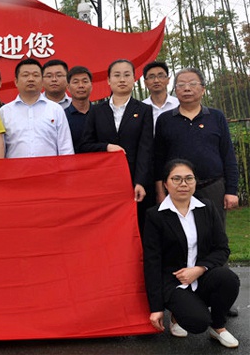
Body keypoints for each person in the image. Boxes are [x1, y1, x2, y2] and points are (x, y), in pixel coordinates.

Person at [153, 67, 240, 318]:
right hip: (177, 191)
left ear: (203, 88)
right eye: (181, 84)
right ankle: (181, 296)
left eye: (192, 83)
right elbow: (159, 159)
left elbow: (228, 155)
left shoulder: (216, 117)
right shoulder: (165, 120)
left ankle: (220, 297)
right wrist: (160, 191)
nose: (187, 88)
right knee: (178, 240)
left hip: (212, 186)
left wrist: (231, 190)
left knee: (216, 239)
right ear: (175, 90)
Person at [143, 159, 240, 348]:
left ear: (195, 182)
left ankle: (218, 327)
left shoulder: (207, 208)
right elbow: (152, 262)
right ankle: (177, 315)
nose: (183, 184)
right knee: (198, 322)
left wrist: (200, 269)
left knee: (228, 279)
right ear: (165, 184)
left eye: (189, 178)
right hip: (173, 282)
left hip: (201, 276)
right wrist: (156, 308)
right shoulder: (155, 216)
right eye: (176, 179)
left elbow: (222, 248)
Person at [79, 59, 154, 232]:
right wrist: (106, 147)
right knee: (108, 228)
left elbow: (146, 148)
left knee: (136, 226)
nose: (122, 79)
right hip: (105, 182)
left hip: (134, 181)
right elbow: (84, 145)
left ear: (134, 79)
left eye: (127, 75)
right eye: (117, 75)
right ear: (108, 80)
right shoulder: (96, 111)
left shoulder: (144, 110)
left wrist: (140, 182)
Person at [0, 58, 74, 158]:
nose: (31, 79)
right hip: (15, 168)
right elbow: (0, 148)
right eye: (25, 75)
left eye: (35, 75)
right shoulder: (4, 112)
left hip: (50, 168)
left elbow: (65, 148)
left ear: (42, 81)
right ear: (16, 81)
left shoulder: (56, 109)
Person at [142, 61, 179, 130]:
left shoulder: (179, 105)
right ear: (145, 82)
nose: (156, 80)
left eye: (160, 76)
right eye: (151, 77)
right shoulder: (141, 109)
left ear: (168, 80)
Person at [64, 66, 93, 153]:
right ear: (68, 88)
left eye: (85, 81)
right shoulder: (63, 116)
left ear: (91, 86)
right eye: (75, 82)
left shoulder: (101, 114)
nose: (81, 86)